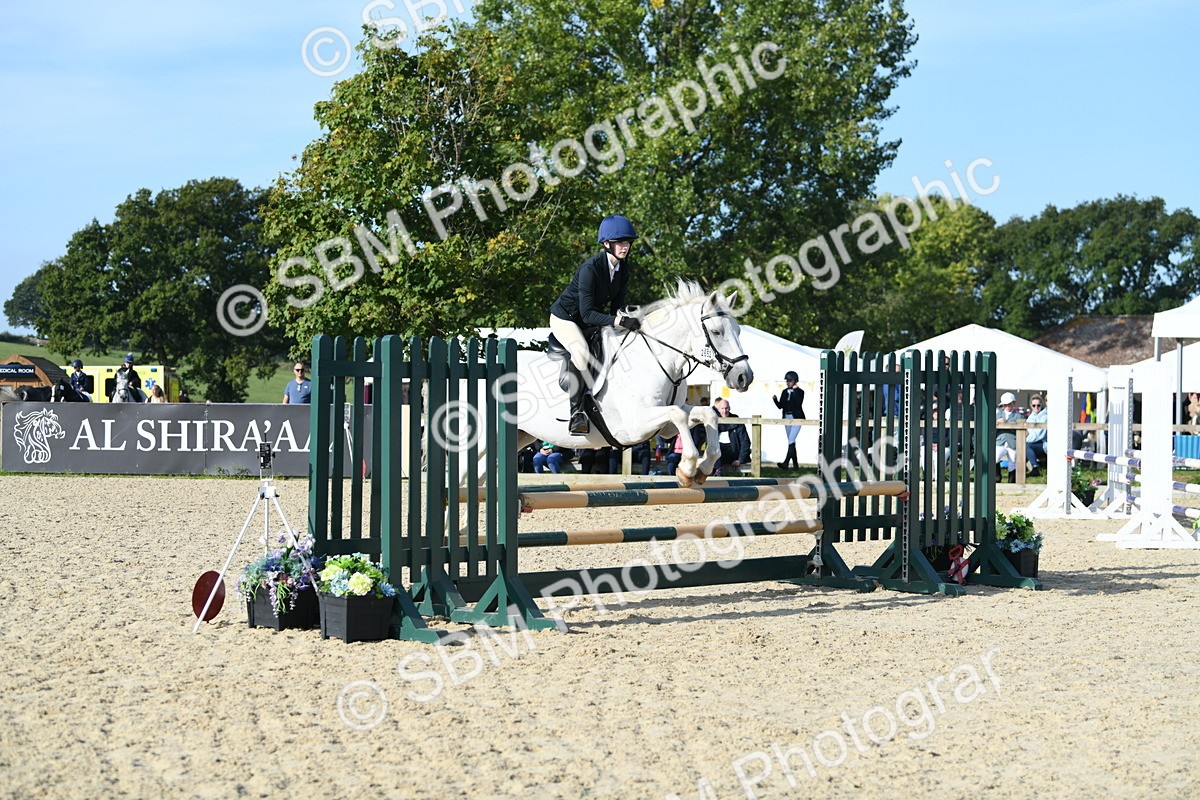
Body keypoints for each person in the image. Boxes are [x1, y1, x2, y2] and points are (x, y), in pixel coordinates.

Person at [549, 215, 640, 435]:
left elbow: (617, 308)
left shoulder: (623, 270)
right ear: (606, 244)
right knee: (580, 353)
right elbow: (588, 313)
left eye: (627, 242)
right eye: (620, 242)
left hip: (591, 320)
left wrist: (628, 319)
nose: (625, 246)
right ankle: (577, 413)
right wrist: (619, 320)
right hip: (567, 319)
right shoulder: (590, 269)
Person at [696, 398, 751, 475]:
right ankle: (717, 475)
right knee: (715, 452)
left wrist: (740, 459)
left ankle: (718, 475)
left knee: (716, 455)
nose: (724, 411)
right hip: (717, 452)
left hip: (732, 452)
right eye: (722, 408)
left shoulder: (736, 420)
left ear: (729, 408)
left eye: (726, 408)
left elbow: (745, 441)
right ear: (718, 409)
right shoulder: (714, 421)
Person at [772, 371, 805, 469]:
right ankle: (795, 465)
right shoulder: (784, 392)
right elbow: (780, 406)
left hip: (797, 418)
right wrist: (775, 400)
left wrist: (794, 392)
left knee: (791, 439)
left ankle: (786, 462)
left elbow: (797, 403)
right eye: (787, 381)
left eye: (790, 381)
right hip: (787, 417)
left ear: (795, 381)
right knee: (791, 441)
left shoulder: (800, 392)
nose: (787, 383)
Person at [995, 391, 1026, 482]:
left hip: (1013, 442)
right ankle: (997, 477)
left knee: (1012, 462)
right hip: (1000, 441)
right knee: (995, 457)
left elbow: (1024, 430)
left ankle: (1011, 481)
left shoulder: (1019, 416)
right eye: (1005, 405)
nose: (1007, 407)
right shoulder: (998, 415)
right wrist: (997, 422)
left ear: (1014, 404)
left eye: (1009, 404)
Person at [1024, 395, 1048, 476]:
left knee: (1027, 446)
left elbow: (1038, 435)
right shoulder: (1031, 416)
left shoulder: (1045, 417)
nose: (1036, 407)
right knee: (1021, 446)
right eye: (1034, 405)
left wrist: (1025, 438)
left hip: (1044, 444)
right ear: (1031, 405)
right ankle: (1018, 471)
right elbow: (1027, 431)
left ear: (1042, 405)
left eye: (1038, 405)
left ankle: (1035, 468)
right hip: (1034, 443)